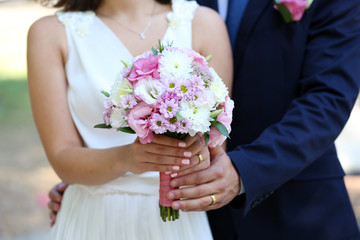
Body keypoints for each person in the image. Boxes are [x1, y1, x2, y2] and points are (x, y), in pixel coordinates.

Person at [49, 0, 360, 239]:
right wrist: (89, 176)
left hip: (293, 207)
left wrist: (244, 172)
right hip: (186, 212)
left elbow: (327, 100)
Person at [28, 0, 232, 239]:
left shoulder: (203, 23)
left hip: (178, 220)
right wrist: (126, 159)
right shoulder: (50, 33)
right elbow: (62, 156)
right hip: (92, 218)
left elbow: (215, 148)